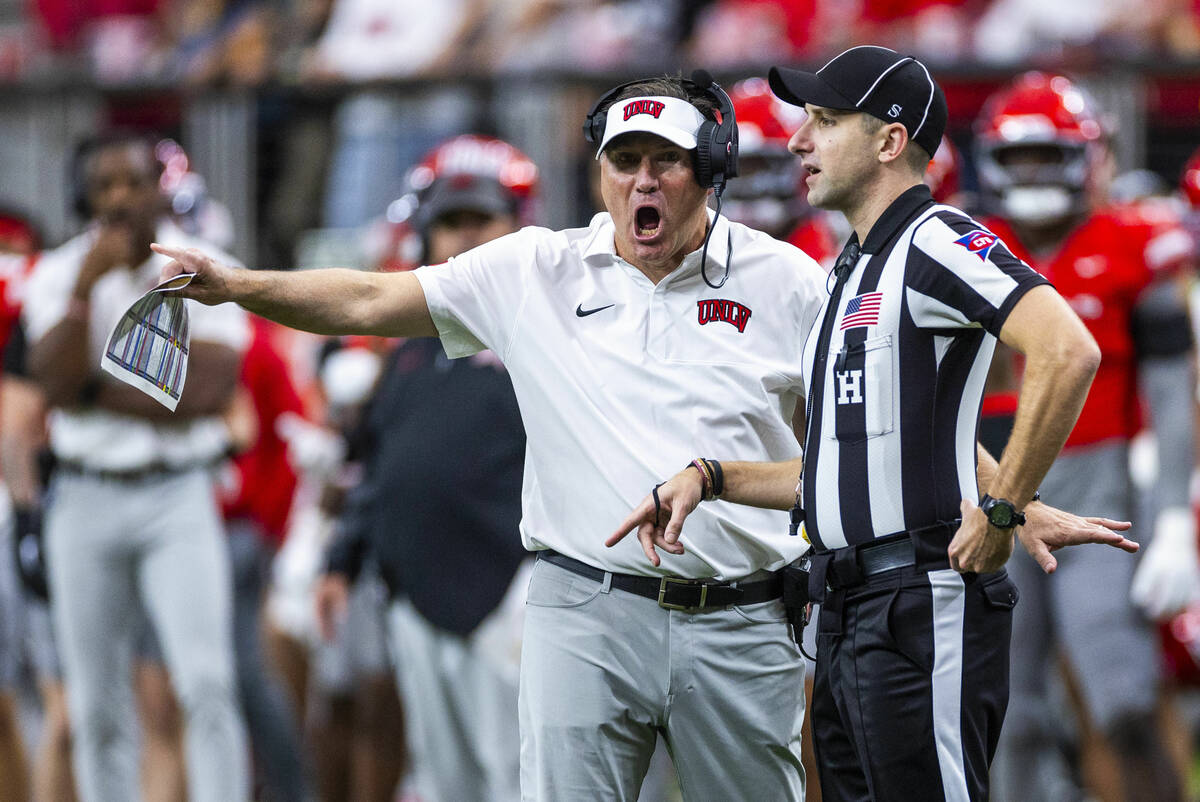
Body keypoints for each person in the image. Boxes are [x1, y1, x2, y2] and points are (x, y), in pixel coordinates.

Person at [154, 70, 1133, 801]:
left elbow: (882, 408)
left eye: (666, 160)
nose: (643, 180)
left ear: (710, 170)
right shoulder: (533, 268)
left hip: (749, 616)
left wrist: (1004, 491)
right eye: (626, 160)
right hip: (586, 605)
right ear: (601, 172)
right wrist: (240, 284)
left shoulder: (789, 276)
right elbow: (367, 293)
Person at [608, 47, 1138, 801]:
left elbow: (1067, 349)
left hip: (921, 600)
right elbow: (838, 465)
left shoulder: (937, 238)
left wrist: (1003, 507)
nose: (798, 141)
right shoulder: (848, 270)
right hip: (847, 608)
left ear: (890, 141)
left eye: (824, 121)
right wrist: (712, 478)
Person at [974, 72, 1196, 802]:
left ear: (1087, 157)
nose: (1034, 175)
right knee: (1005, 710)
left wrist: (1171, 519)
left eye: (1050, 156)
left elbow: (1170, 395)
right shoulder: (967, 248)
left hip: (1099, 494)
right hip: (991, 492)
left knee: (1123, 693)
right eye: (1022, 158)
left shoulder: (1133, 241)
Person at [23, 132, 250, 802]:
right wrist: (84, 294)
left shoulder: (203, 265)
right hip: (85, 497)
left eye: (132, 183)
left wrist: (93, 389)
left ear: (160, 186)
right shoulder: (63, 272)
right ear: (85, 198)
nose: (119, 199)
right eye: (104, 186)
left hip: (175, 494)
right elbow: (51, 383)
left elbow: (201, 394)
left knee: (205, 681)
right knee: (93, 699)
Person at [316, 133, 537, 802]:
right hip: (415, 589)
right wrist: (340, 560)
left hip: (516, 588)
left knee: (519, 776)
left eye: (480, 220)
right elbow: (381, 467)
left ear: (515, 230)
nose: (463, 237)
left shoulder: (545, 326)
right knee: (444, 780)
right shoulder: (409, 347)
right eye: (449, 223)